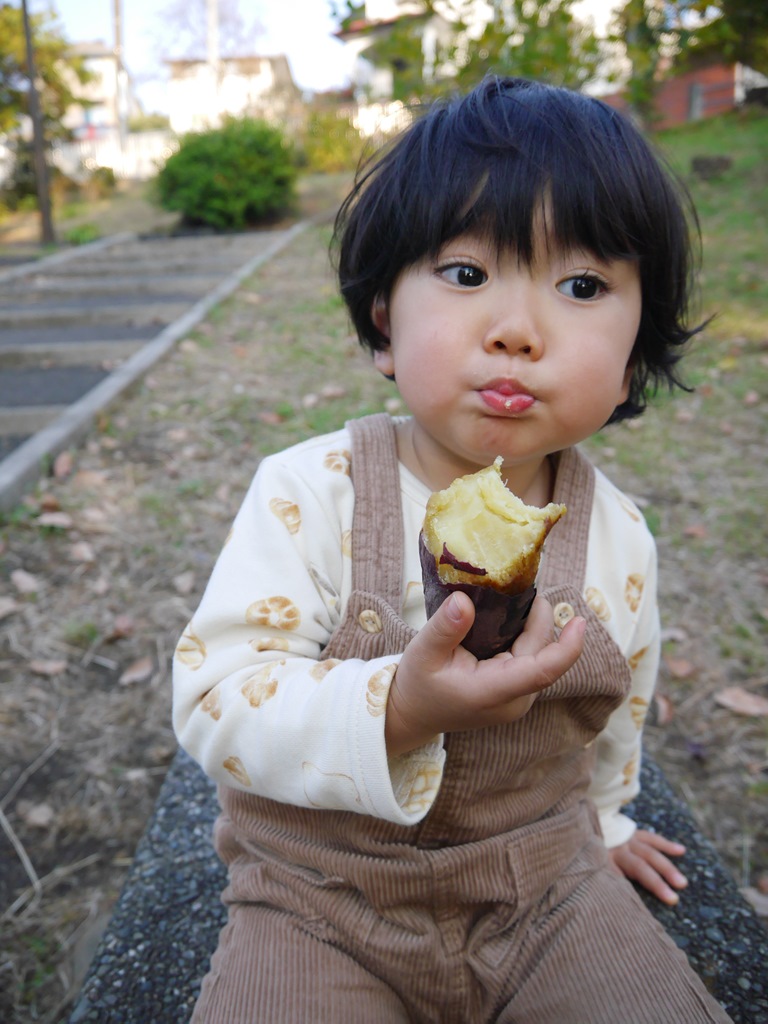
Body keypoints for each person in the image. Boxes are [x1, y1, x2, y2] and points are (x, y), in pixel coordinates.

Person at [173, 76, 732, 1022]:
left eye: (584, 286)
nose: (517, 330)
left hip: (546, 884)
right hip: (322, 896)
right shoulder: (313, 493)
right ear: (386, 321)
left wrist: (605, 820)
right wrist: (395, 707)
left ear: (636, 354)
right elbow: (216, 696)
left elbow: (616, 701)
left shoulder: (620, 536)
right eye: (466, 275)